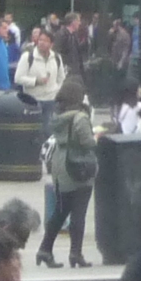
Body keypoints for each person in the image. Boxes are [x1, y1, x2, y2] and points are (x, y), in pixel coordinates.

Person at [37, 79, 97, 269]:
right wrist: (98, 137)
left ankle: (45, 250)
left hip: (60, 164)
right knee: (79, 211)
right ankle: (76, 253)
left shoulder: (58, 116)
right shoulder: (80, 117)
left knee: (61, 210)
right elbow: (87, 142)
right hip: (78, 164)